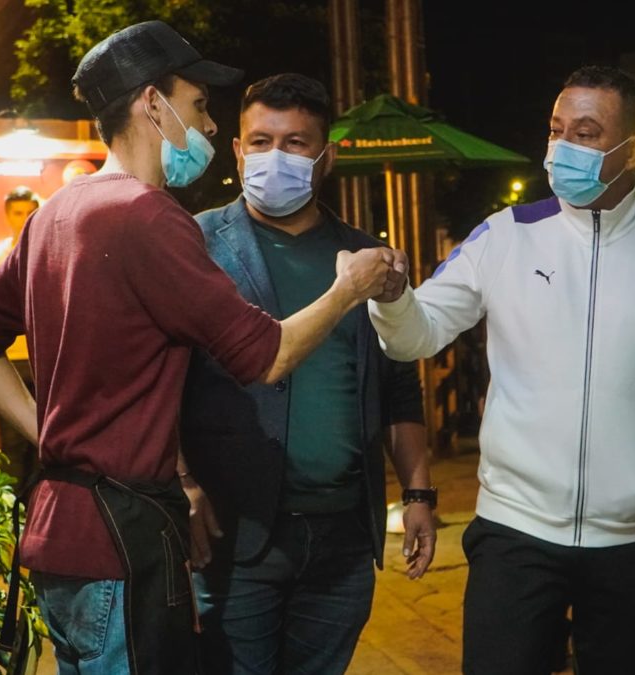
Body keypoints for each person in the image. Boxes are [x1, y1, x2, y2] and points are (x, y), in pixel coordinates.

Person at [0, 21, 398, 675]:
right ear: (152, 103)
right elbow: (266, 355)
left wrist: (50, 435)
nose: (211, 125)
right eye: (199, 104)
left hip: (60, 538)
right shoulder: (147, 214)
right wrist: (347, 288)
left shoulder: (55, 213)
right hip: (120, 546)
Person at [369, 65, 635, 675]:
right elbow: (417, 335)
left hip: (634, 538)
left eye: (585, 134)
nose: (562, 148)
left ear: (634, 150)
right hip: (514, 529)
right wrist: (392, 297)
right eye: (556, 130)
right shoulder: (504, 237)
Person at [180, 73, 436, 675]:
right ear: (237, 150)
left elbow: (399, 386)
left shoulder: (367, 258)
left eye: (295, 143)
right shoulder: (196, 244)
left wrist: (418, 493)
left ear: (327, 157)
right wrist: (182, 482)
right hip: (236, 533)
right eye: (261, 141)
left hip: (342, 537)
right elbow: (163, 376)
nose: (275, 157)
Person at [0, 186, 40, 482]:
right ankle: (12, 505)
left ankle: (38, 505)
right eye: (18, 213)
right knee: (13, 442)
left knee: (45, 442)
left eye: (30, 212)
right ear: (7, 215)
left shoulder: (48, 251)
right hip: (9, 359)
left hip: (41, 358)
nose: (25, 218)